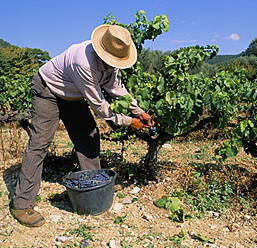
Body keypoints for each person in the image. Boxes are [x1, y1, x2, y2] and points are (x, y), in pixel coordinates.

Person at [10, 24, 154, 227]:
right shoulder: (83, 62)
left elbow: (116, 88)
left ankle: (93, 187)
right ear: (102, 50)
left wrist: (139, 112)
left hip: (72, 95)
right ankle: (21, 203)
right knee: (39, 144)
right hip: (48, 90)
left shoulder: (110, 62)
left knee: (89, 137)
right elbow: (101, 107)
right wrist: (130, 121)